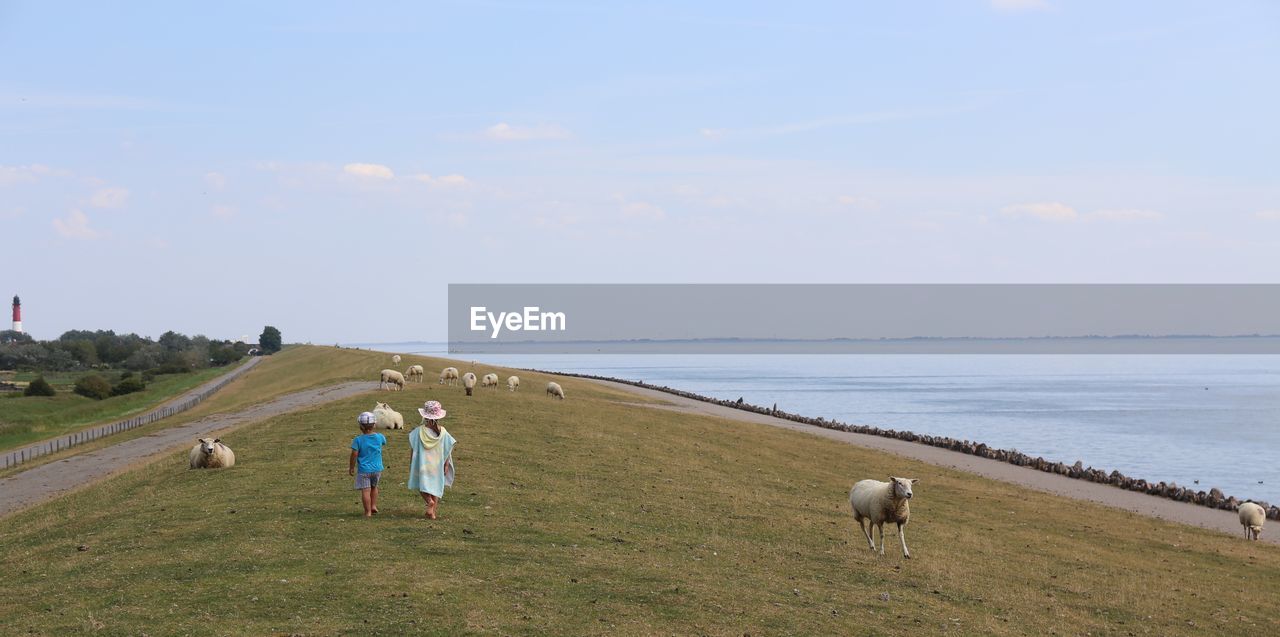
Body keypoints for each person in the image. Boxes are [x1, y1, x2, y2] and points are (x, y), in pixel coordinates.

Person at [407, 400, 456, 520]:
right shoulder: (443, 433)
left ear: (424, 416)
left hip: (423, 465)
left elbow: (413, 447)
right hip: (437, 466)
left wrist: (411, 462)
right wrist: (446, 464)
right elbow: (448, 448)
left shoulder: (418, 432)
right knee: (435, 487)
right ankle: (432, 513)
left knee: (422, 486)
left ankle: (429, 502)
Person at [349, 411, 387, 517]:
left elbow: (354, 454)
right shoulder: (380, 437)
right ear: (374, 425)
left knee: (366, 490)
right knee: (374, 487)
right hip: (377, 469)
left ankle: (368, 512)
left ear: (360, 426)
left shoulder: (358, 440)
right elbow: (384, 442)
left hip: (364, 470)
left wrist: (351, 467)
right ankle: (373, 505)